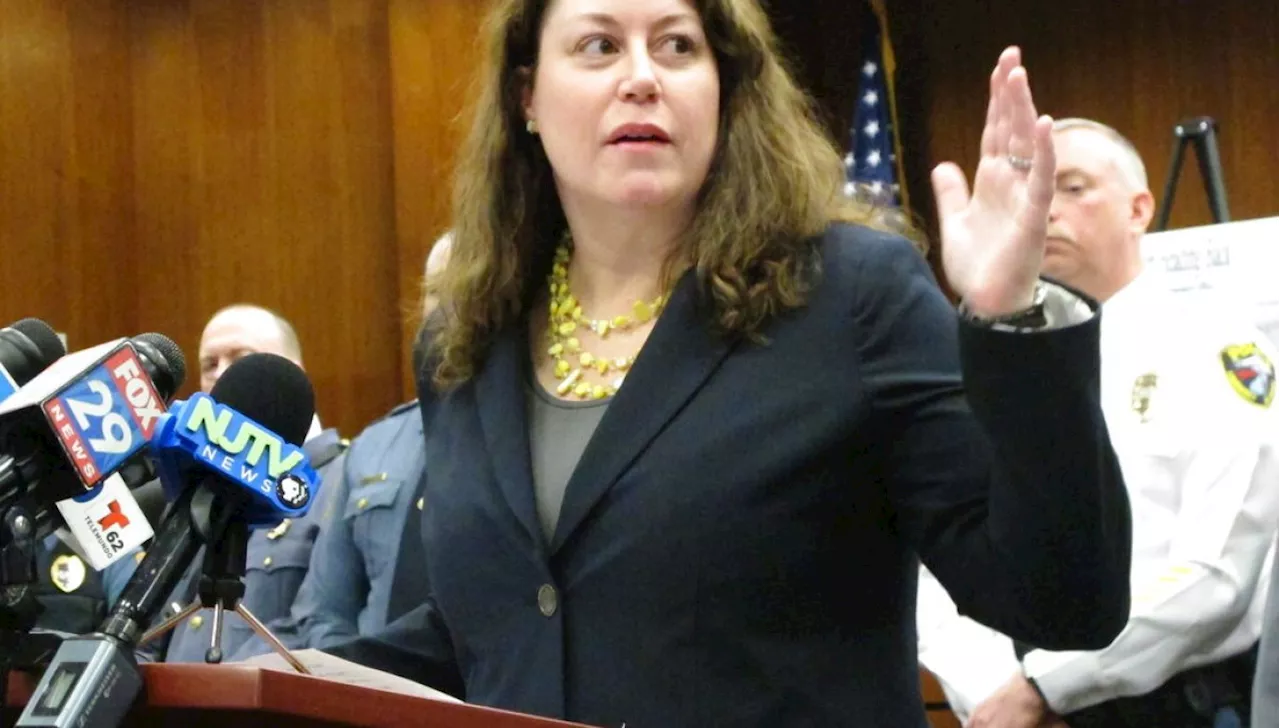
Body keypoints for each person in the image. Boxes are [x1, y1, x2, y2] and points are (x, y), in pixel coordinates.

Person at [324, 0, 1133, 724]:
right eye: (599, 45)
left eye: (677, 46)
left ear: (725, 88)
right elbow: (500, 620)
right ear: (527, 96)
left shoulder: (853, 296)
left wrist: (1013, 318)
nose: (642, 78)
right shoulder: (468, 340)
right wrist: (284, 676)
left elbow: (1062, 600)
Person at [918, 118, 1280, 728]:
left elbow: (1221, 569)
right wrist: (989, 692)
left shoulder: (1219, 352)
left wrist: (1046, 686)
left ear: (1139, 210)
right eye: (1032, 193)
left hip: (1168, 706)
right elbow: (936, 560)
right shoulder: (986, 369)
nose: (1045, 209)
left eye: (1073, 187)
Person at [103, 304, 348, 662]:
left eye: (240, 359)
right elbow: (153, 632)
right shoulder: (197, 488)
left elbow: (324, 624)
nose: (221, 374)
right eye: (209, 364)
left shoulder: (341, 479)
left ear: (291, 371)